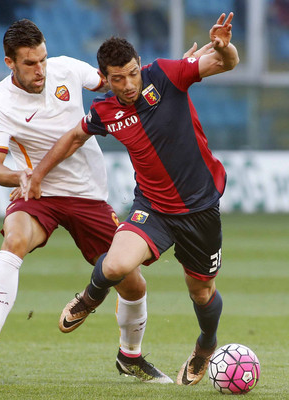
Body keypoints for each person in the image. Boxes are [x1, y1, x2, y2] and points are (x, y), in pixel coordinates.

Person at [21, 12, 239, 386]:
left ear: (140, 66)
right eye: (117, 78)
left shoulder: (168, 74)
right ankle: (89, 298)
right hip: (152, 208)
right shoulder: (105, 110)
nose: (128, 84)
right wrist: (37, 175)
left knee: (201, 292)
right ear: (105, 79)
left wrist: (225, 46)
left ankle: (206, 345)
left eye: (133, 73)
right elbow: (74, 137)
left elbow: (225, 62)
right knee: (116, 265)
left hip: (201, 209)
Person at [0, 19, 174, 383]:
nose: (40, 69)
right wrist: (22, 176)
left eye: (42, 59)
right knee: (14, 239)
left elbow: (117, 80)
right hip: (38, 193)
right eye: (30, 63)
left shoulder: (67, 69)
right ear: (10, 62)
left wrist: (162, 77)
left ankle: (130, 357)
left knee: (132, 282)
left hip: (88, 195)